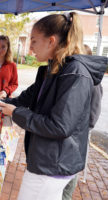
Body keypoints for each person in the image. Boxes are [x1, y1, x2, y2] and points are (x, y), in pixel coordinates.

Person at [0, 12, 107, 200]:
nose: (30, 48)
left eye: (33, 41)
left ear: (51, 41)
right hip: (48, 160)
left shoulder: (74, 73)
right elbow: (19, 100)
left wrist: (17, 113)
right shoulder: (51, 71)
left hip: (53, 165)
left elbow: (59, 126)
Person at [62, 44, 103, 200]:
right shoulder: (73, 75)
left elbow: (93, 114)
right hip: (65, 135)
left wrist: (77, 128)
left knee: (70, 177)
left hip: (77, 136)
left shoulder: (93, 82)